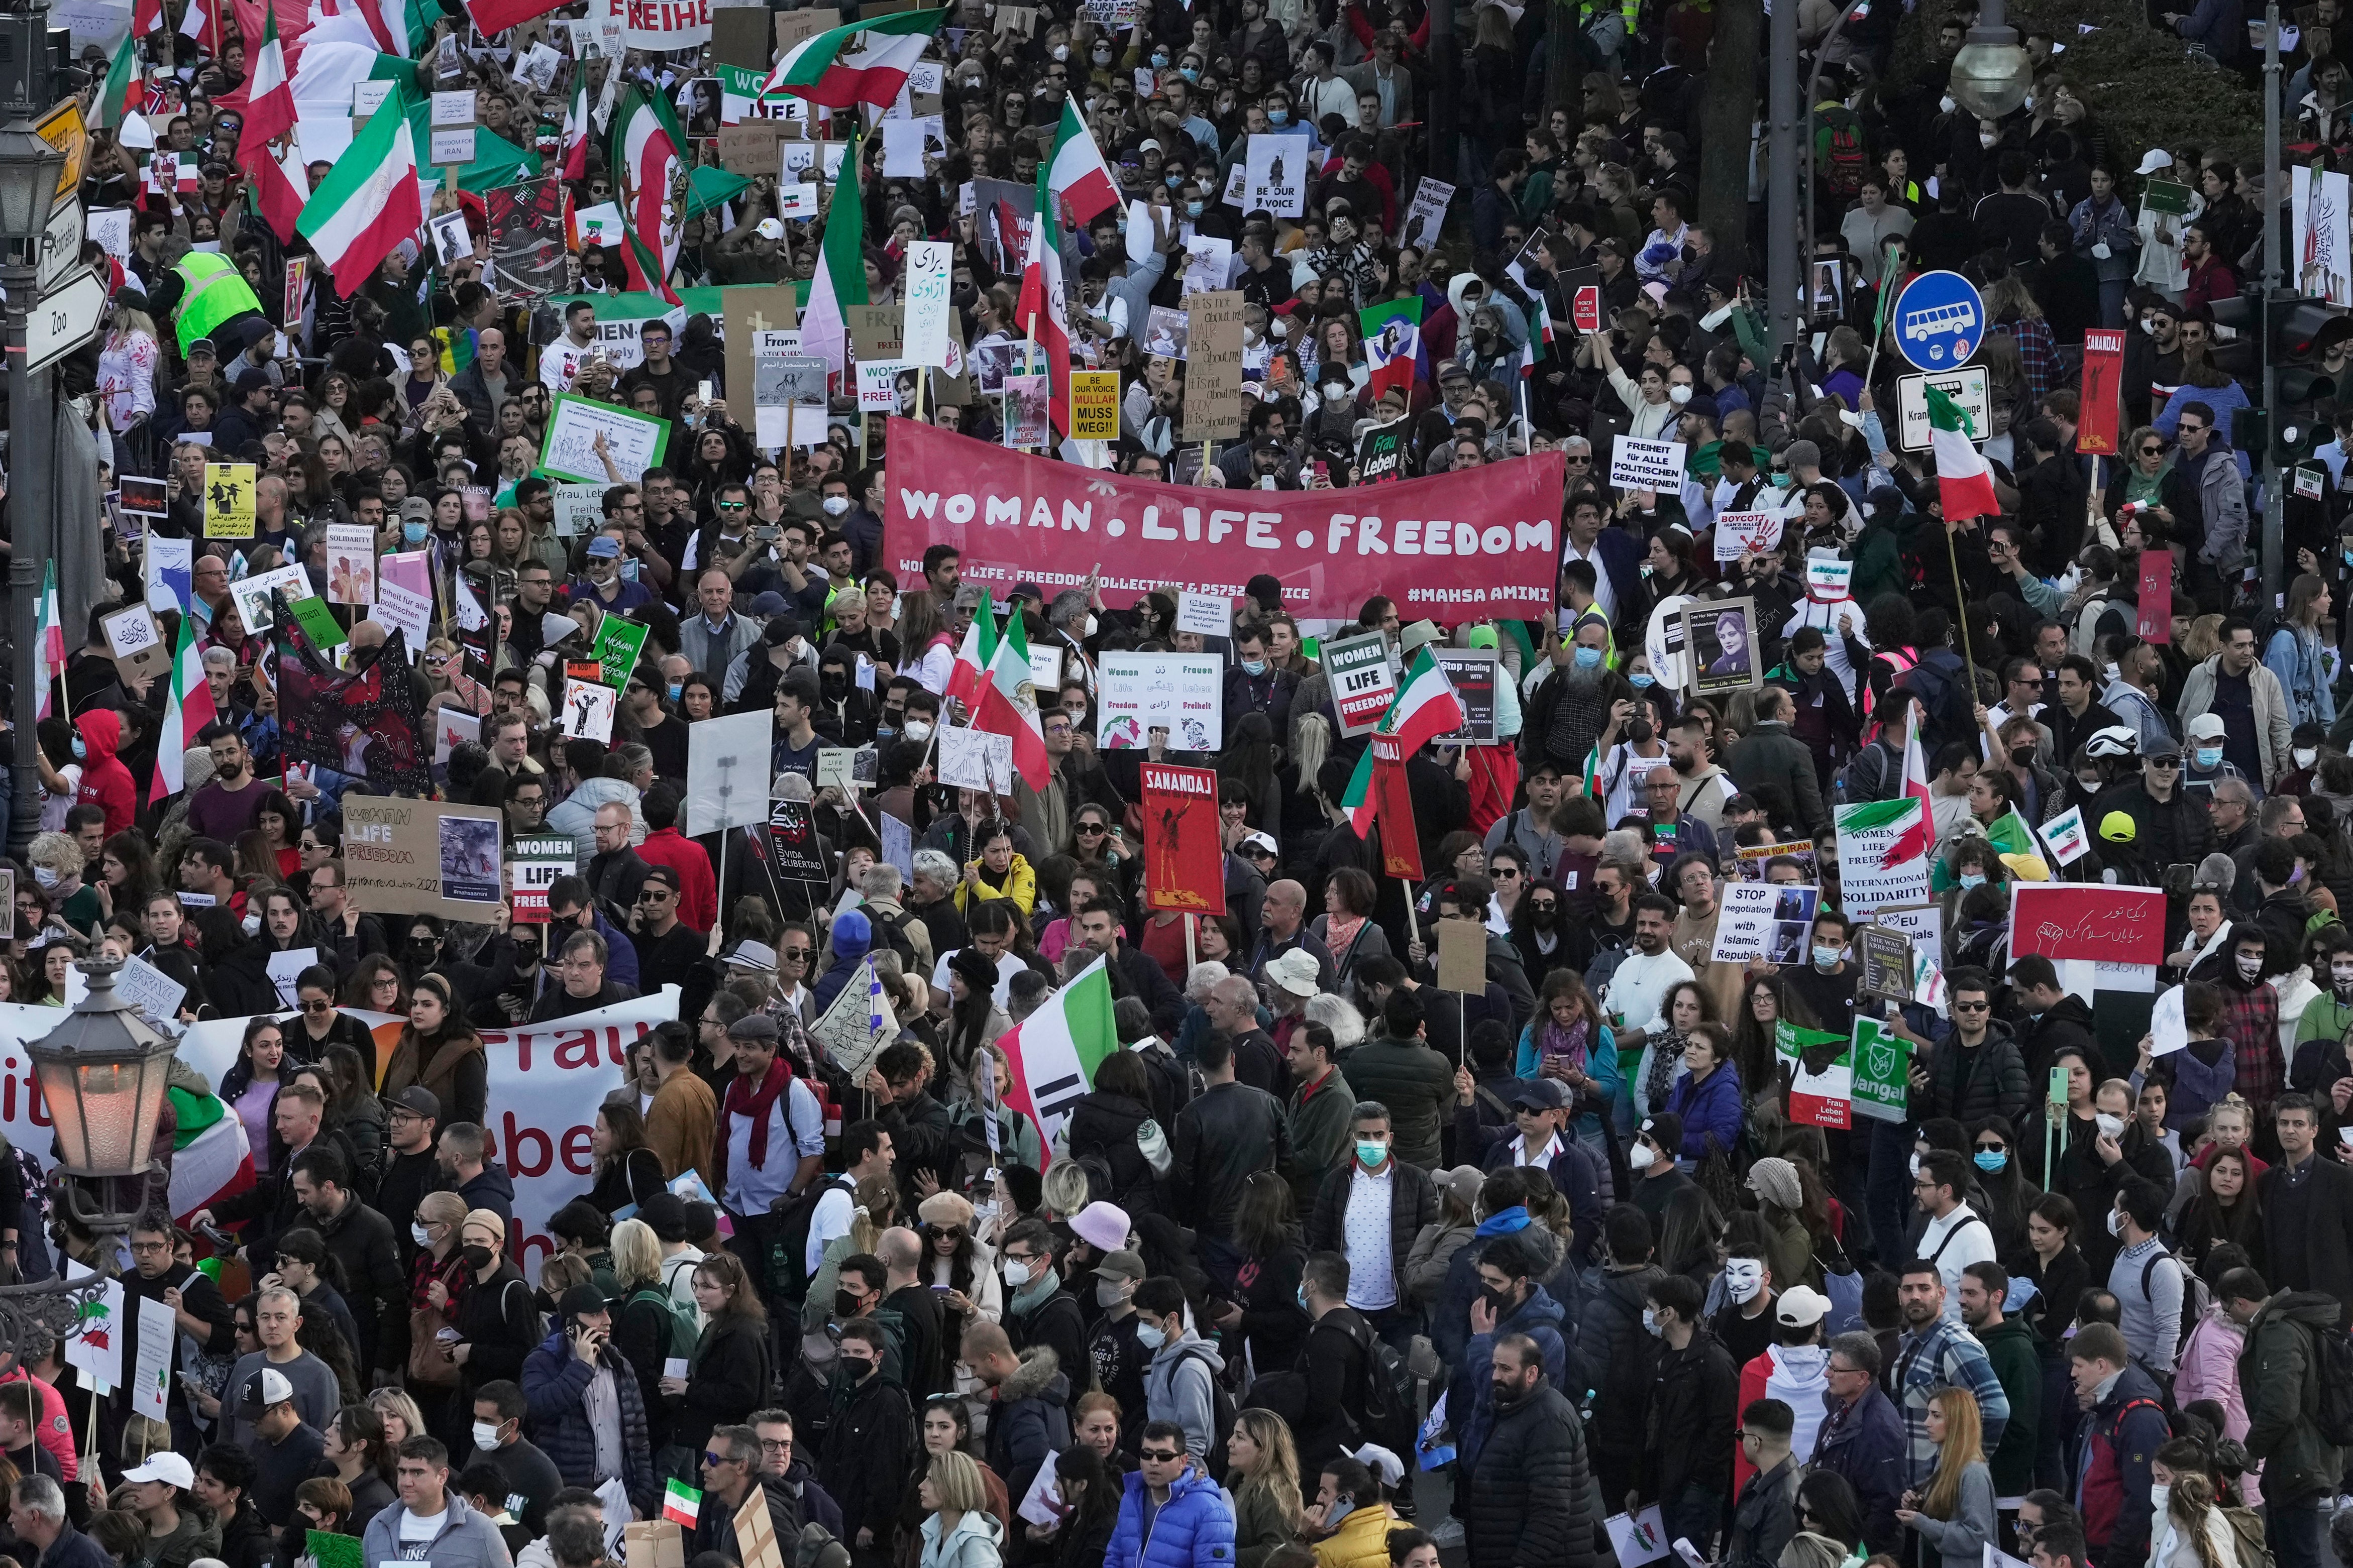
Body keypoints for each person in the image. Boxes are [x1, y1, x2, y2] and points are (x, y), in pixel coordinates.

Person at [2222, 1267, 2343, 1568]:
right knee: (2283, 1551)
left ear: (2240, 1302)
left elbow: (2280, 1407)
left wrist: (2252, 1450)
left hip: (2298, 1459)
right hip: (2304, 1453)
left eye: (2227, 1309)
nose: (2227, 1317)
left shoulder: (2277, 1332)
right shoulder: (2291, 1321)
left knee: (2298, 1556)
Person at [1463, 1332, 1595, 1568]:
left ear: (1531, 1373)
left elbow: (1551, 1510)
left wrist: (1524, 1563)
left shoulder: (1548, 1421)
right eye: (1495, 1367)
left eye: (1506, 1369)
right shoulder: (1514, 1407)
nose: (1495, 1376)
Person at [360, 1437, 515, 1568]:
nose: (407, 1482)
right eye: (402, 1472)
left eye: (417, 1473)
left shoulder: (481, 1529)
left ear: (442, 1476)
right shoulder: (378, 1526)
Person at [1895, 1388, 1996, 1568]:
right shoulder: (1944, 1463)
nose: (1927, 1423)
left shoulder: (1973, 1473)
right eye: (1928, 1414)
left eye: (1936, 1416)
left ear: (1957, 1422)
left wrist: (1922, 1523)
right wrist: (1920, 1506)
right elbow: (1947, 1516)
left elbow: (1978, 1538)